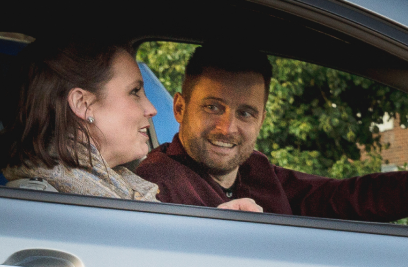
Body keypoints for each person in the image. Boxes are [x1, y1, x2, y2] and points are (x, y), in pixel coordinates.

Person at [135, 44, 408, 222]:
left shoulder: (258, 171)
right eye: (213, 107)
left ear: (261, 119)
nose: (227, 128)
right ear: (179, 108)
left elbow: (349, 198)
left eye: (245, 113)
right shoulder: (156, 185)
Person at [0, 38, 258, 210]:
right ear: (82, 103)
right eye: (135, 91)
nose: (152, 109)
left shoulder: (104, 190)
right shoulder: (50, 207)